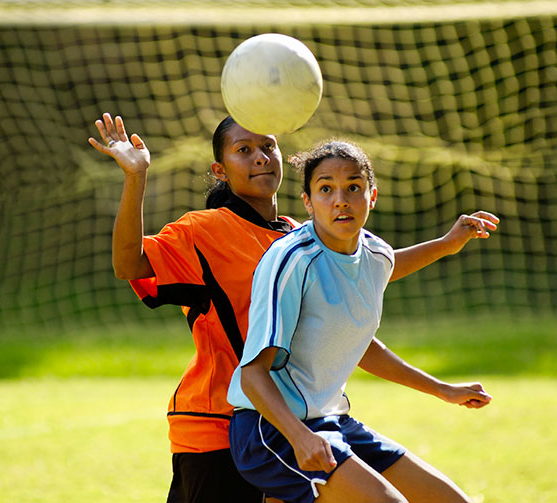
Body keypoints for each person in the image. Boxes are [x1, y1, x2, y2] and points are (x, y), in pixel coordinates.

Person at [88, 115, 498, 503]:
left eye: (268, 145)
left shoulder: (301, 235)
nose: (261, 157)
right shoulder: (203, 229)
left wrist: (446, 244)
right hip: (220, 424)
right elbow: (129, 264)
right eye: (244, 150)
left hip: (298, 418)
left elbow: (372, 271)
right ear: (220, 170)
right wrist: (135, 176)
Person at [227, 140, 495, 503]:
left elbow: (364, 339)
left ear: (372, 196)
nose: (340, 199)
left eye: (353, 187)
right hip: (270, 430)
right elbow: (253, 373)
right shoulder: (290, 260)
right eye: (325, 189)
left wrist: (443, 389)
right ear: (307, 201)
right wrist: (299, 437)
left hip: (331, 422)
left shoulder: (374, 254)